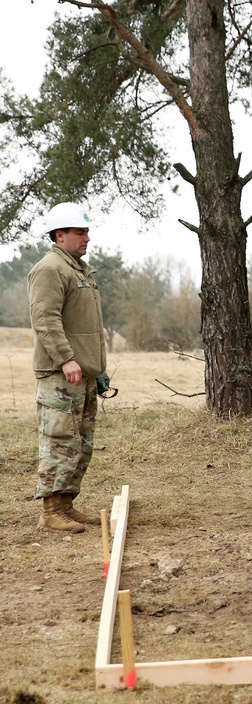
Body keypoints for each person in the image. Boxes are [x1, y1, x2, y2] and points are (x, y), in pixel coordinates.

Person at [28, 202, 107, 533]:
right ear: (60, 235)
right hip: (61, 375)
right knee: (60, 440)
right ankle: (50, 511)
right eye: (80, 232)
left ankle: (66, 505)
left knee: (80, 444)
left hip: (82, 375)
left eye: (87, 231)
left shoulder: (79, 269)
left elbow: (85, 325)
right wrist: (66, 358)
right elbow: (45, 319)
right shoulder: (50, 269)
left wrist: (96, 369)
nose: (86, 238)